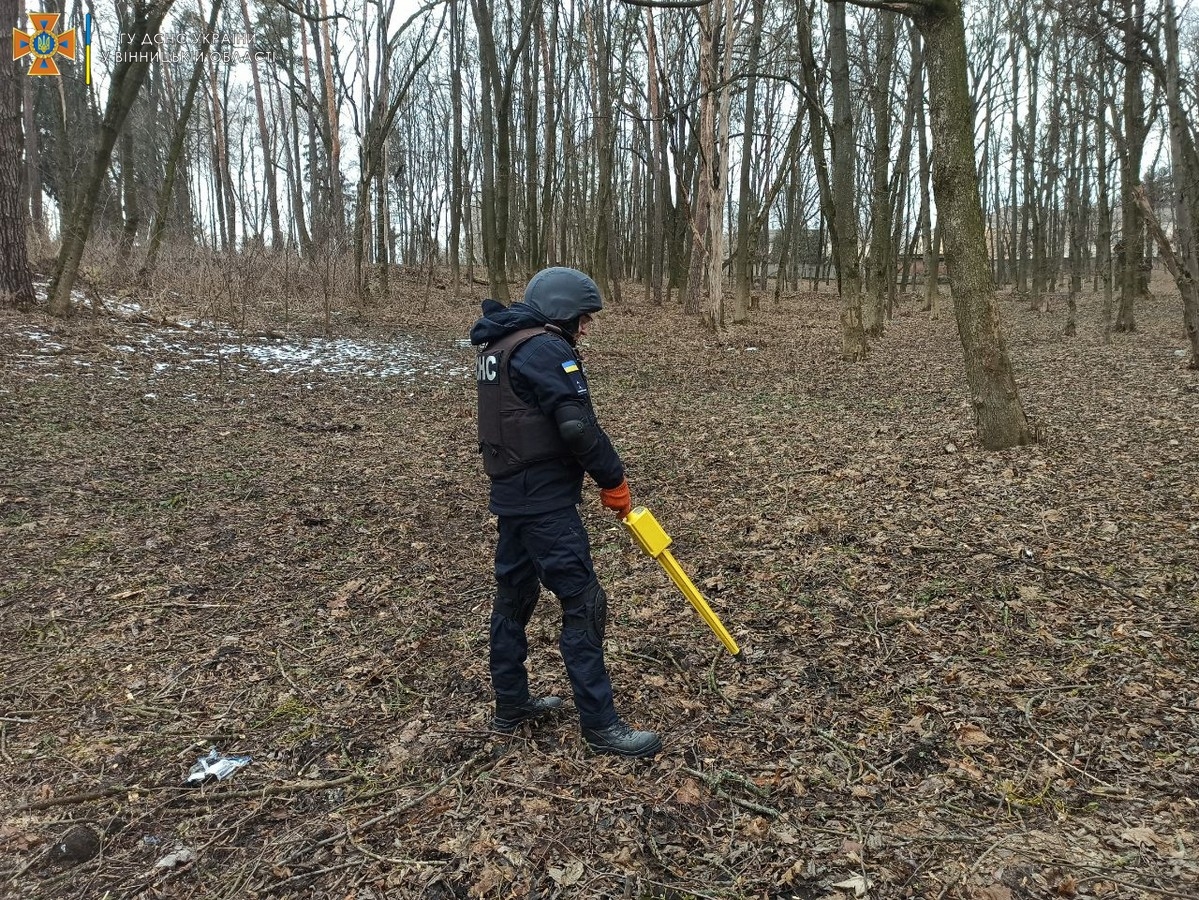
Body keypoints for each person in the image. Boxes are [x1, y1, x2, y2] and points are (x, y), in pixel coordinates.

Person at [470, 267, 661, 759]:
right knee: (583, 602)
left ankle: (510, 705)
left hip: (513, 495)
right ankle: (601, 725)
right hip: (545, 502)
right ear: (562, 312)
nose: (585, 328)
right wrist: (613, 478)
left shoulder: (501, 344)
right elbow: (576, 427)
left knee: (514, 597)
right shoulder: (544, 348)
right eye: (582, 319)